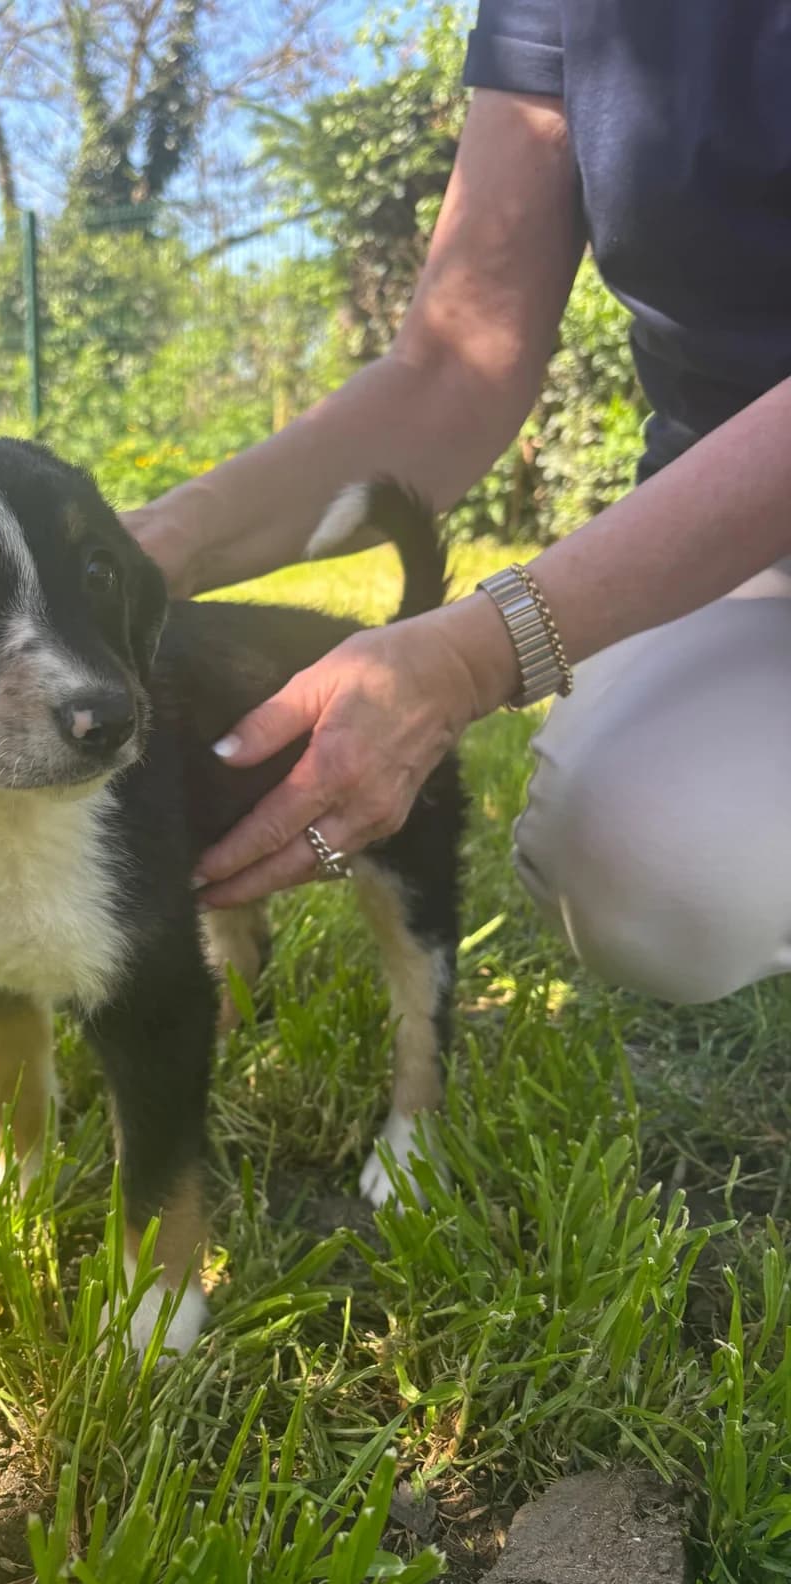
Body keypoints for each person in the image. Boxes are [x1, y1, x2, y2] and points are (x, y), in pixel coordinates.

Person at [123, 0, 791, 1007]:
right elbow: (455, 359)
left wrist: (474, 652)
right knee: (647, 868)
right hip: (746, 557)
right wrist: (155, 543)